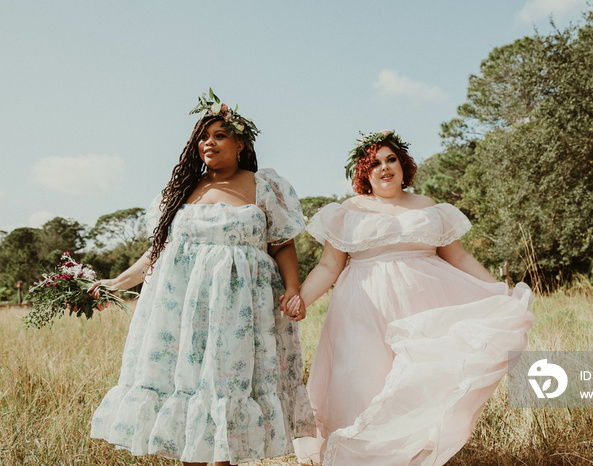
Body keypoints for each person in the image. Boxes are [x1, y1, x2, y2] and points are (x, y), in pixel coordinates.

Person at [88, 90, 315, 466]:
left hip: (242, 315)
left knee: (226, 391)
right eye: (203, 137)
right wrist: (115, 283)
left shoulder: (263, 186)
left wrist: (293, 289)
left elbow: (282, 244)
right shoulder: (181, 192)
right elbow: (159, 253)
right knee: (189, 394)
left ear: (240, 143)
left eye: (219, 135)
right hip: (184, 313)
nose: (209, 142)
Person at [289, 130, 535, 465]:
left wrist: (498, 292)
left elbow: (459, 258)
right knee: (362, 385)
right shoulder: (348, 211)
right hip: (362, 310)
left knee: (419, 387)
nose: (385, 167)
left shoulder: (430, 207)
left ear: (404, 165)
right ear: (364, 172)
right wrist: (300, 299)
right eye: (375, 163)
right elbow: (329, 266)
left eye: (391, 159)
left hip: (424, 309)